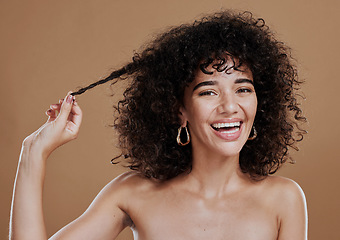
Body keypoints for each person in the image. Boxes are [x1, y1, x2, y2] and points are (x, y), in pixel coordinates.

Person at [9, 10, 308, 240]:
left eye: (243, 89)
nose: (230, 107)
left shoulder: (283, 199)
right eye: (208, 92)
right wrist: (33, 153)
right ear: (180, 111)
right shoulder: (133, 194)